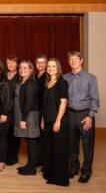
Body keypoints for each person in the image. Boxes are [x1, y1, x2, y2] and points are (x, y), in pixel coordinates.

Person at [64, 50, 100, 183]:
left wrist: (90, 116)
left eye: (76, 59)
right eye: (71, 59)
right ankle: (74, 167)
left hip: (85, 115)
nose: (73, 61)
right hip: (69, 114)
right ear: (68, 61)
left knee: (87, 145)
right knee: (71, 144)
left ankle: (86, 171)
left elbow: (95, 99)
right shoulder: (65, 77)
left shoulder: (90, 78)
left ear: (81, 60)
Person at [41, 58, 69, 186]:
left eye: (53, 66)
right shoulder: (47, 83)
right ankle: (50, 174)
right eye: (49, 66)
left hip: (57, 121)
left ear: (58, 68)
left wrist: (58, 121)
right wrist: (42, 119)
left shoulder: (62, 83)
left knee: (58, 150)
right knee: (49, 149)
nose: (50, 68)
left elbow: (63, 103)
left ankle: (60, 179)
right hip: (47, 120)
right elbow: (44, 104)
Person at [15, 59, 40, 175]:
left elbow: (29, 103)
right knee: (29, 141)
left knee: (31, 141)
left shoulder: (30, 83)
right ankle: (30, 165)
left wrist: (24, 119)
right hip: (27, 114)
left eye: (25, 68)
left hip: (30, 115)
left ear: (31, 69)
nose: (22, 70)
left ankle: (31, 168)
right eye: (20, 68)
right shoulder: (24, 82)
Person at [5, 55, 21, 166]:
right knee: (6, 132)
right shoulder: (4, 75)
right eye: (8, 63)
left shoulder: (20, 76)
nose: (10, 65)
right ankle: (6, 155)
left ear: (17, 64)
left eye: (13, 63)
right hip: (5, 108)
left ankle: (13, 156)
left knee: (15, 133)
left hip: (16, 108)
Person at [35, 54, 48, 167]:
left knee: (44, 136)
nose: (41, 64)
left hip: (43, 110)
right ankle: (39, 159)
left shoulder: (48, 77)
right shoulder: (34, 76)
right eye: (38, 62)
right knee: (37, 135)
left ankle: (45, 161)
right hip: (35, 110)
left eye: (43, 62)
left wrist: (43, 115)